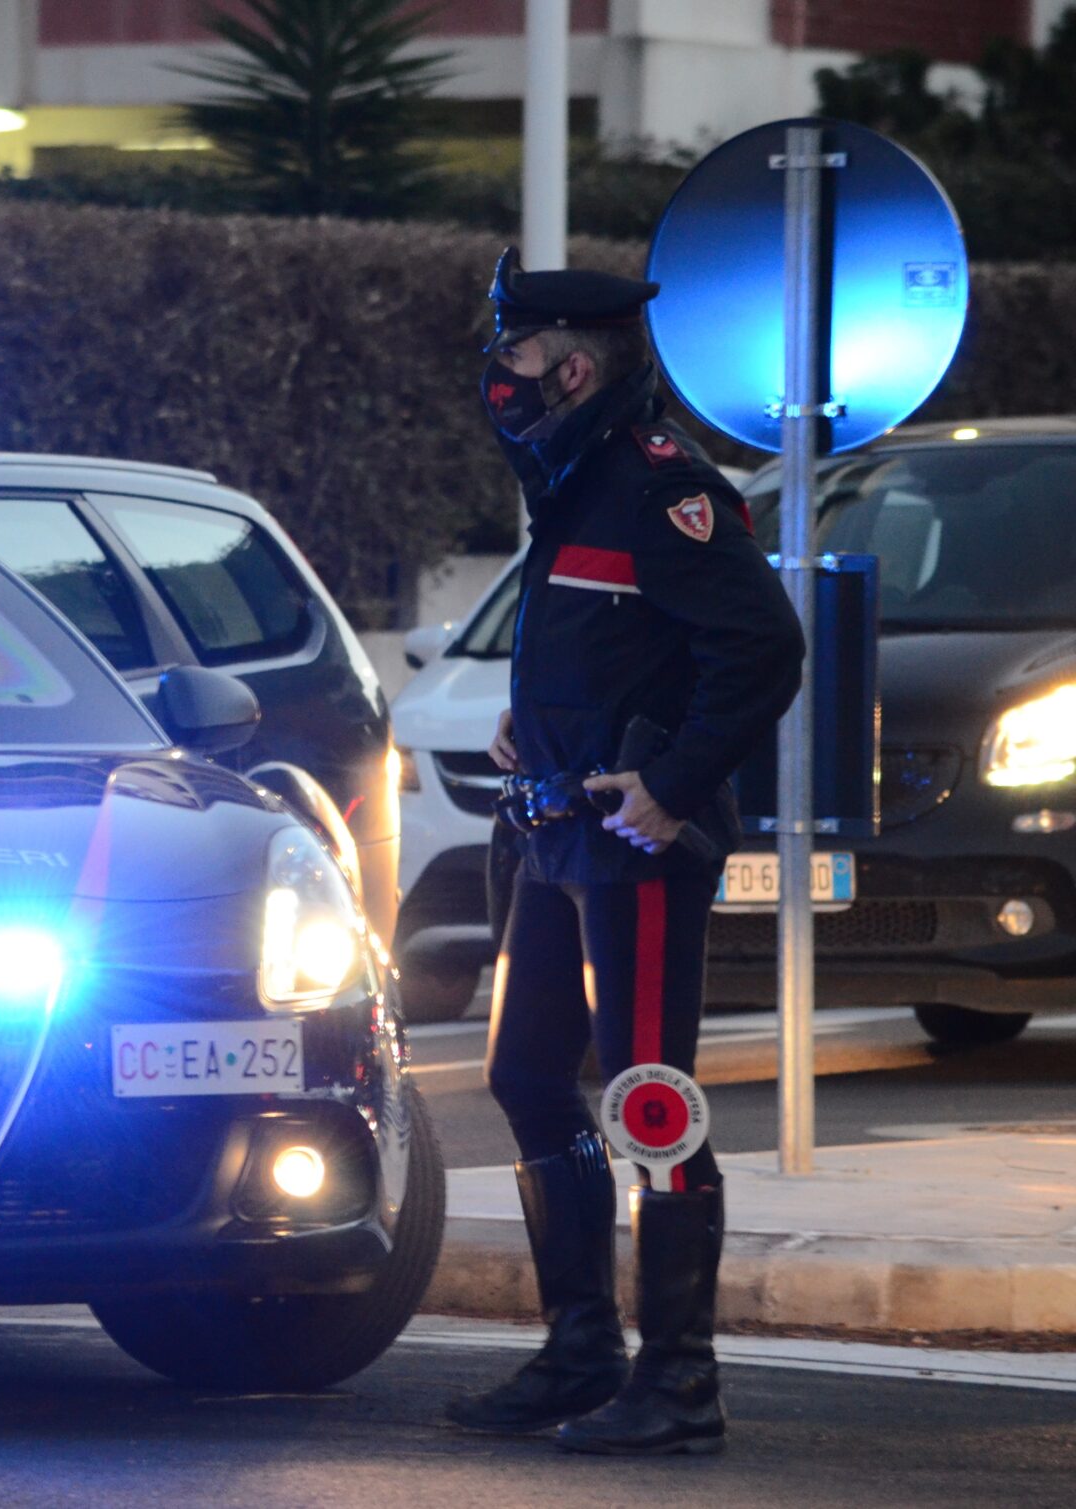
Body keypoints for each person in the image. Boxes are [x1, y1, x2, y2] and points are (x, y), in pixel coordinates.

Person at [444, 248, 803, 1456]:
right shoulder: (576, 475)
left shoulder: (659, 485)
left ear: (578, 362)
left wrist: (672, 784)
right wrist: (529, 719)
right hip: (552, 827)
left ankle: (681, 1384)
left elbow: (759, 649)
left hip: (634, 838)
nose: (500, 373)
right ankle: (582, 1349)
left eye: (518, 351)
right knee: (529, 1077)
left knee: (652, 1105)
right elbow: (613, 641)